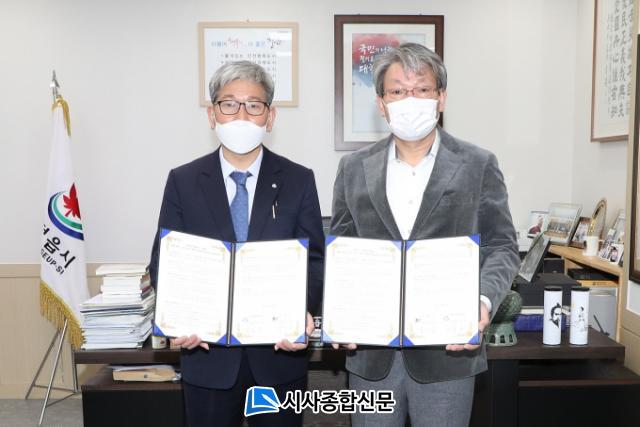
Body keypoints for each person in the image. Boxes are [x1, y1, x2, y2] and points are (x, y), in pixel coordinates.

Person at [330, 43, 520, 426]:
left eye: (421, 89)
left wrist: (482, 301)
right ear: (381, 103)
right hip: (370, 356)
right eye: (397, 91)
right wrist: (339, 311)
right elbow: (341, 252)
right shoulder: (353, 167)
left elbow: (502, 245)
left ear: (441, 98)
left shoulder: (478, 164)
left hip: (448, 354)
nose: (409, 100)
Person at [149, 61, 324, 427]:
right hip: (207, 356)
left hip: (278, 358)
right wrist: (177, 317)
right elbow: (164, 261)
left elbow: (315, 261)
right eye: (229, 104)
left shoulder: (298, 179)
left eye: (253, 105)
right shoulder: (183, 180)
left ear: (270, 117)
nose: (241, 115)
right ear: (212, 114)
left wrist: (300, 311)